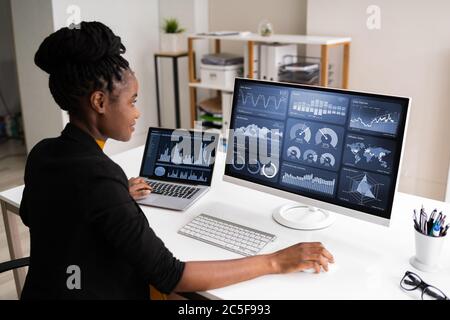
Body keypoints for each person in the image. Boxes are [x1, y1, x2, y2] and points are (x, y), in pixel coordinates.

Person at [19, 21, 334, 300]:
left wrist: (115, 199)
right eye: (133, 101)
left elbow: (37, 214)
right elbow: (170, 274)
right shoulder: (101, 176)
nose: (137, 112)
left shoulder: (44, 152)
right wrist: (274, 261)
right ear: (99, 102)